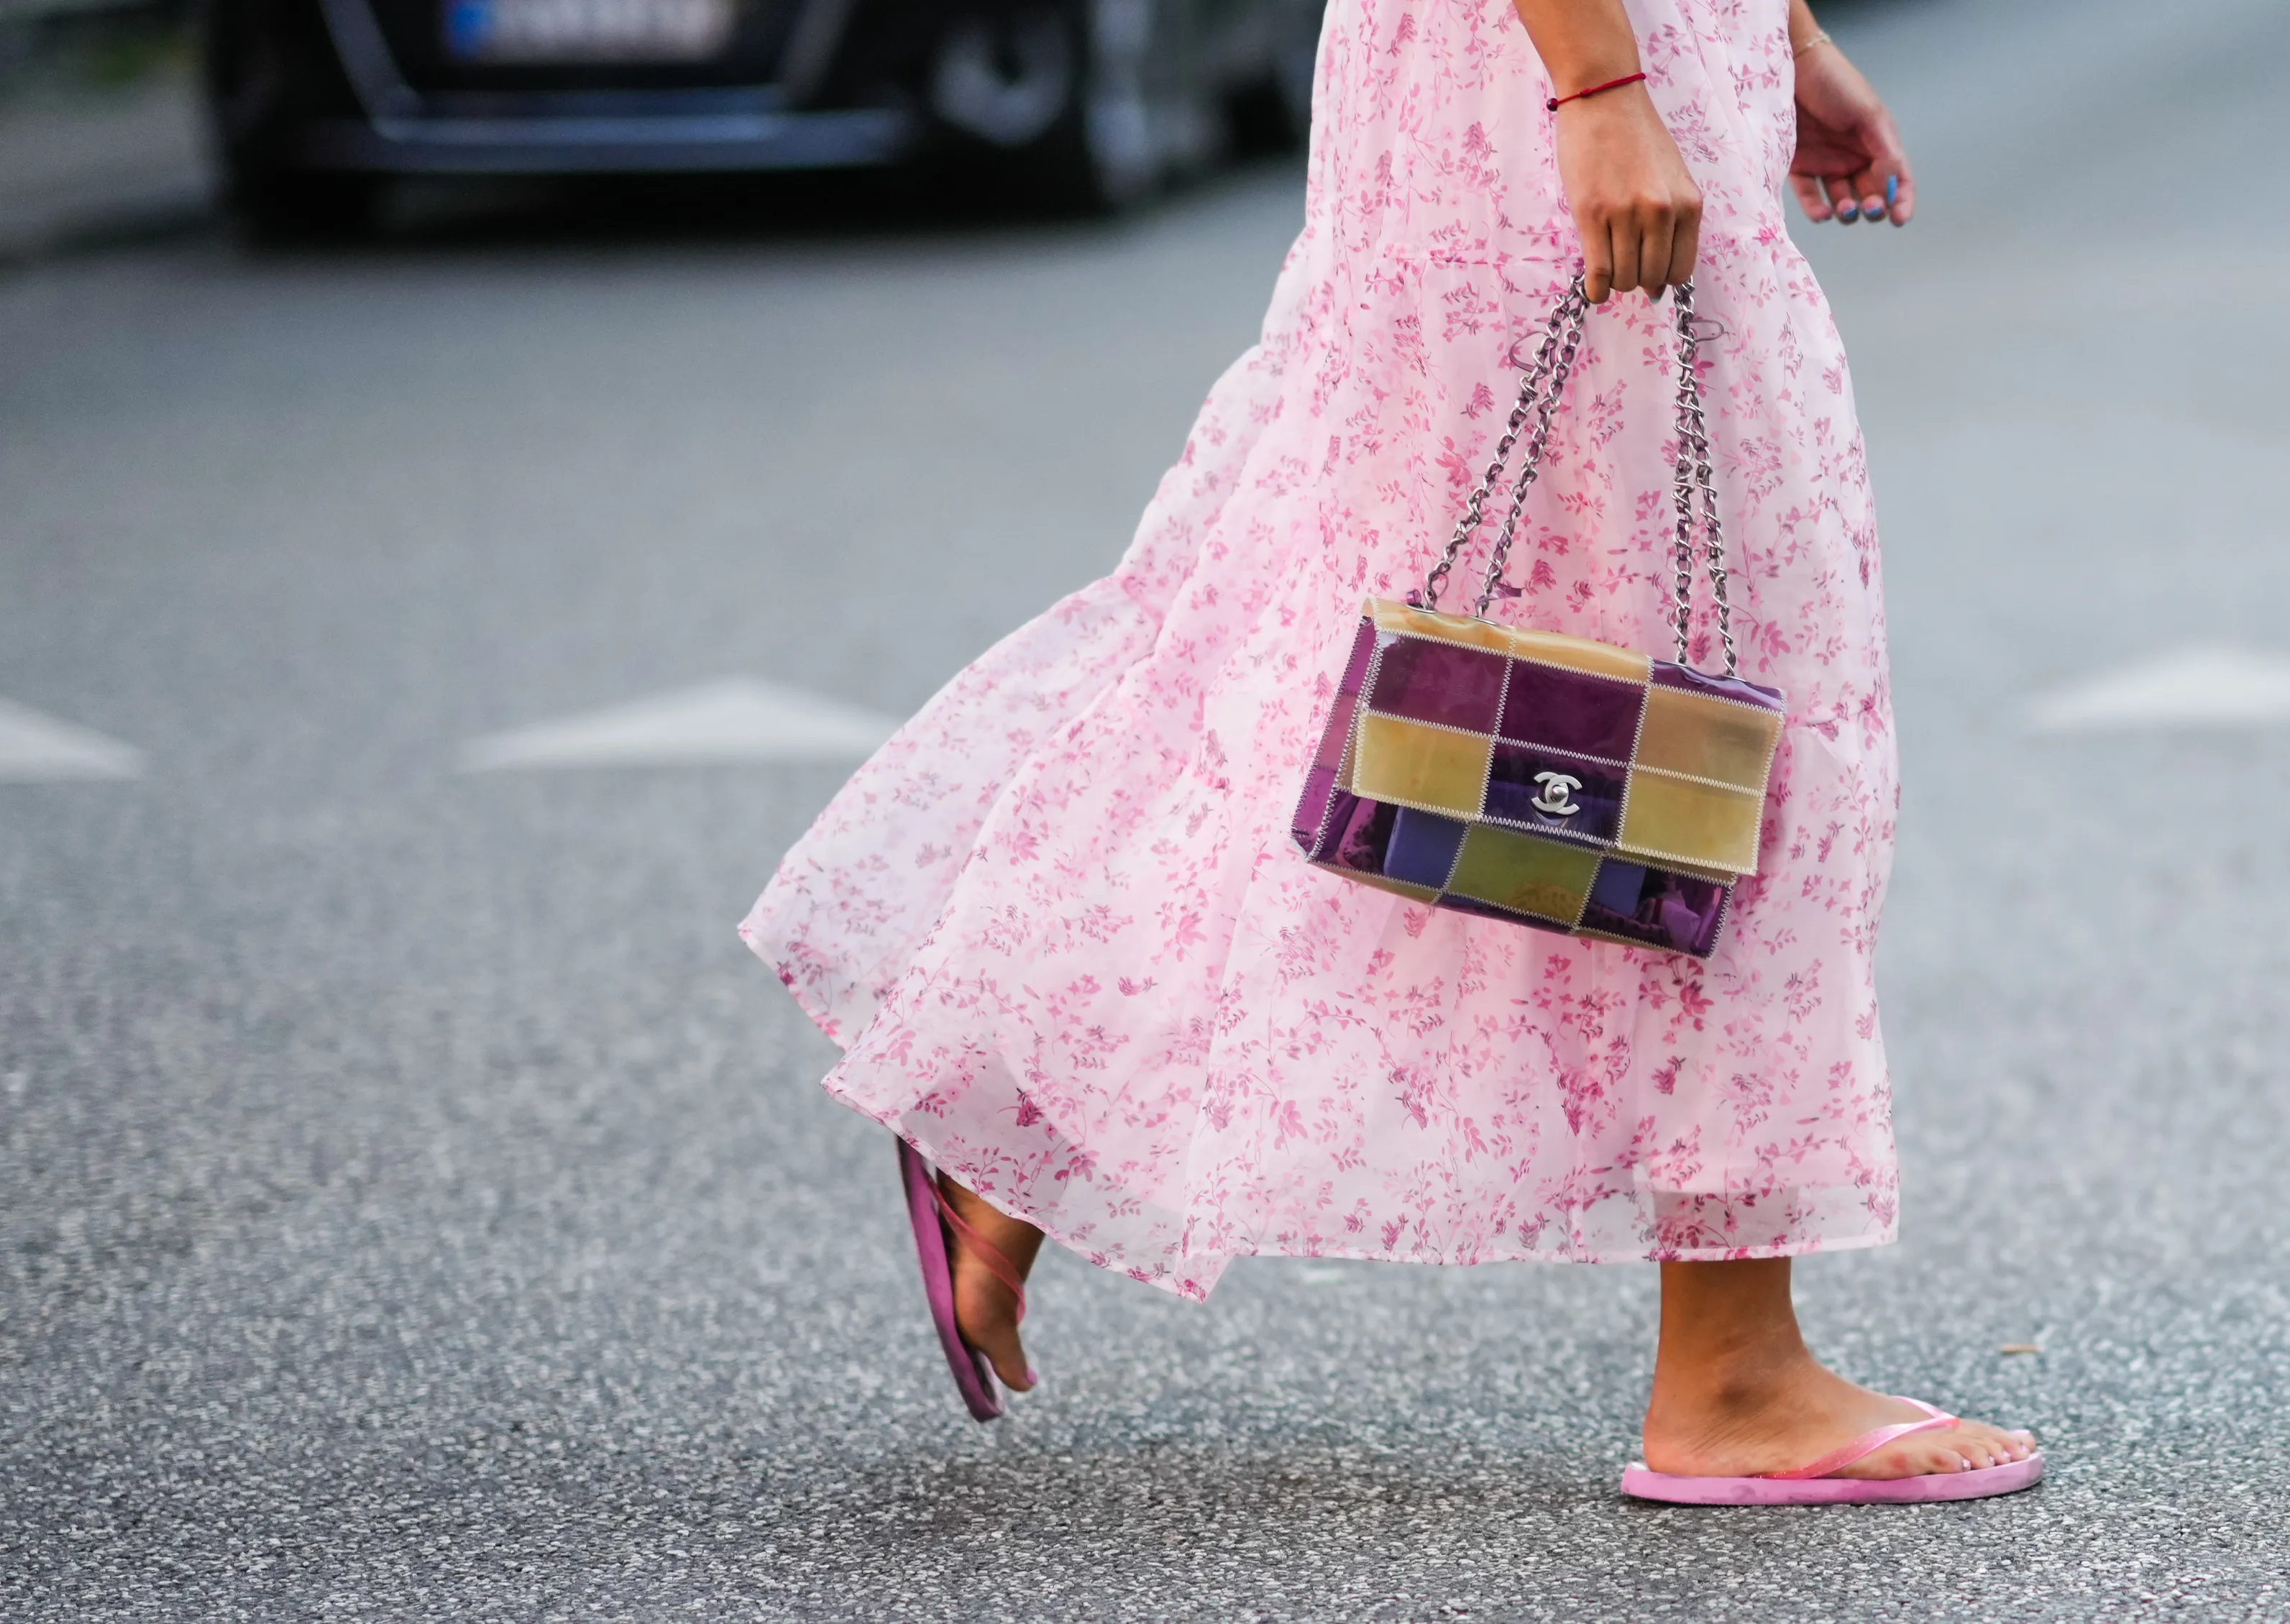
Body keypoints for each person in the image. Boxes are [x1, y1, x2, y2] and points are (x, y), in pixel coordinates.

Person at [743, 0, 2043, 1502]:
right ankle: (1732, 1370)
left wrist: (1773, 29)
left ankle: (1017, 1077)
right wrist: (1604, 80)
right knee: (1709, 698)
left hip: (1555, 75)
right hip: (1559, 79)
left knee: (1350, 648)